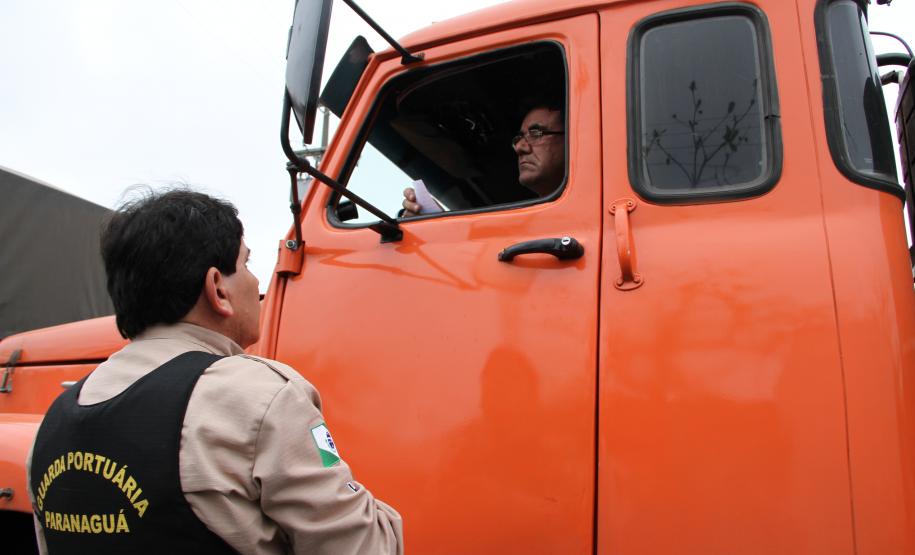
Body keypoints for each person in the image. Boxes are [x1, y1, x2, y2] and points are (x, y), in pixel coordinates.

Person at [27, 189, 403, 554]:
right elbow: (363, 546)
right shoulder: (261, 395)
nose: (258, 283)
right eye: (246, 263)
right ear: (217, 289)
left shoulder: (54, 422)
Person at [401, 103, 566, 217]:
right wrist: (435, 220)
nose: (520, 148)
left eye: (536, 133)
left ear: (573, 138)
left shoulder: (590, 211)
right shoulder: (523, 219)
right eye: (518, 139)